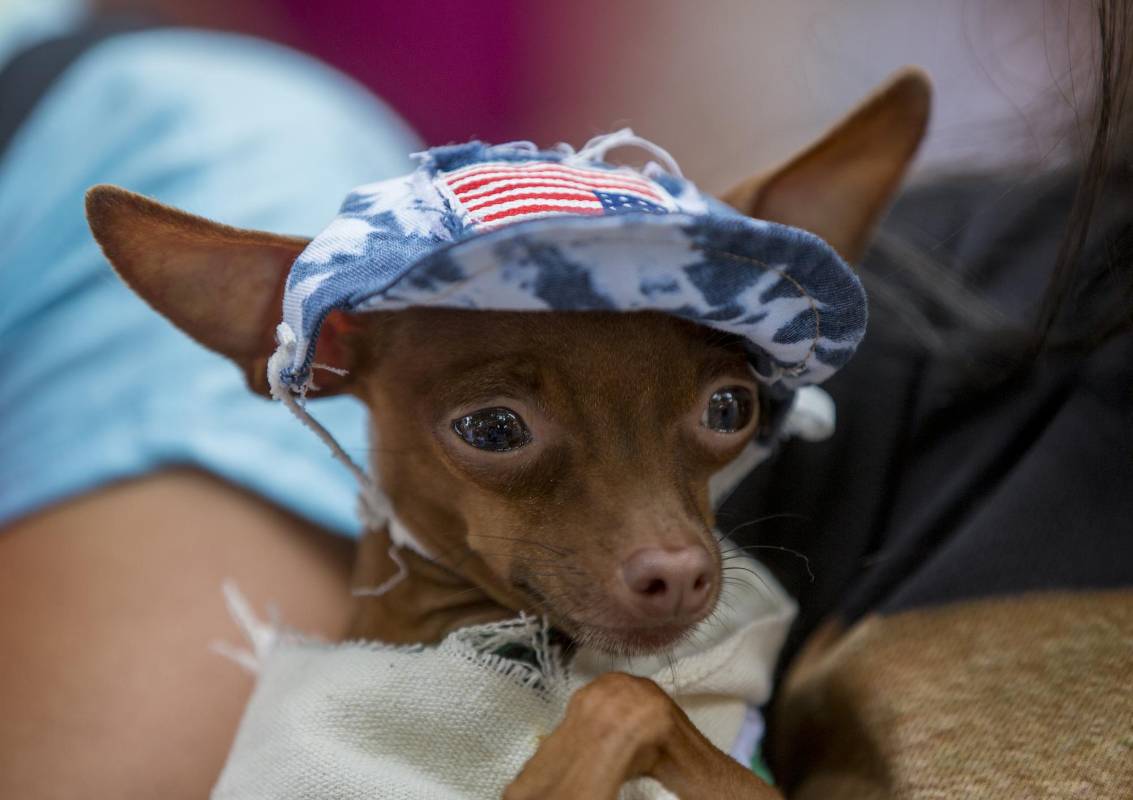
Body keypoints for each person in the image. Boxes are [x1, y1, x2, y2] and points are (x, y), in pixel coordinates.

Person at [2, 4, 1130, 798]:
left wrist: (631, 722)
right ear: (308, 347)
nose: (672, 554)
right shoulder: (318, 726)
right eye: (498, 430)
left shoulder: (742, 633)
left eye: (719, 412)